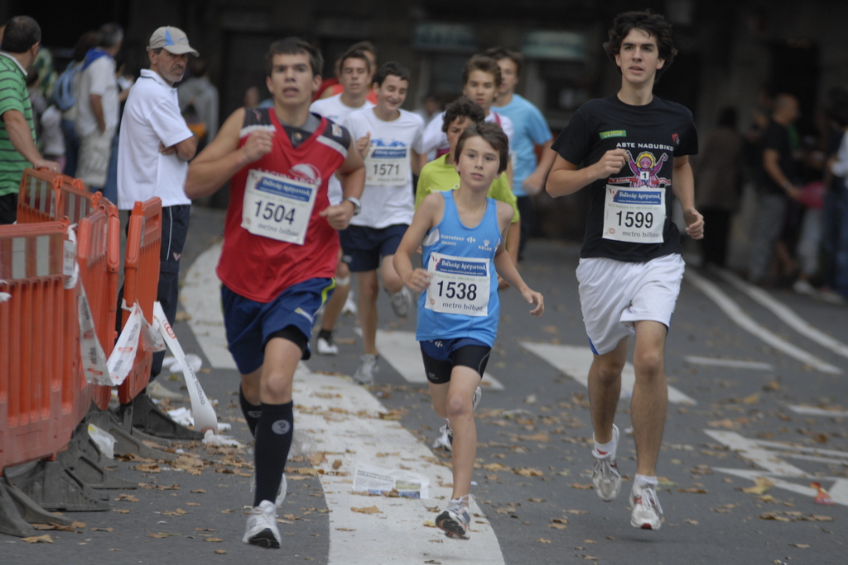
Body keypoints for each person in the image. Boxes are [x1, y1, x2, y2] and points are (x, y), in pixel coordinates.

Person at [185, 37, 364, 549]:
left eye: (299, 69)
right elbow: (194, 182)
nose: (290, 76)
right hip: (243, 277)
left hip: (306, 273)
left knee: (278, 381)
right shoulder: (247, 123)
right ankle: (270, 457)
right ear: (269, 81)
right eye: (281, 69)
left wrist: (349, 206)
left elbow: (355, 169)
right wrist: (244, 156)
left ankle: (263, 509)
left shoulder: (335, 136)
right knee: (253, 386)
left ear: (316, 82)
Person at [546, 11, 703, 531]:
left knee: (650, 359)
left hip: (659, 255)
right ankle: (603, 446)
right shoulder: (593, 115)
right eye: (629, 47)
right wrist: (595, 169)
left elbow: (681, 164)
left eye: (647, 48)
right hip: (602, 261)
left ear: (662, 60)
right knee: (609, 368)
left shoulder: (678, 117)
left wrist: (689, 209)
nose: (638, 55)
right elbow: (554, 184)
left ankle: (647, 487)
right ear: (617, 57)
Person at [395, 122, 543, 539]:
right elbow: (402, 252)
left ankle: (459, 504)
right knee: (443, 407)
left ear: (501, 168)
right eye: (472, 155)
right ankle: (459, 401)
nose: (479, 164)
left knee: (459, 406)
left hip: (477, 324)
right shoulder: (435, 205)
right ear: (457, 162)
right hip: (434, 325)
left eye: (489, 158)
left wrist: (523, 287)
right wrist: (409, 275)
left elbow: (499, 254)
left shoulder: (503, 212)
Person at [117, 26, 199, 401]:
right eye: (172, 54)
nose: (180, 62)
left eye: (184, 56)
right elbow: (189, 148)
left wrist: (181, 141)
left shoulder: (155, 90)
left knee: (142, 290)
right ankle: (141, 380)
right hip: (161, 205)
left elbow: (183, 145)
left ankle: (129, 374)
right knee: (158, 293)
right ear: (153, 56)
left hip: (154, 203)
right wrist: (183, 141)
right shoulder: (154, 92)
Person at [341, 61, 425, 385]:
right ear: (375, 89)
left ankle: (398, 289)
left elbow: (419, 159)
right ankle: (369, 356)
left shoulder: (413, 123)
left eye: (402, 91)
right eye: (390, 89)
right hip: (361, 215)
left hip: (397, 213)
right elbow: (340, 164)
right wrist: (357, 154)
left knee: (391, 277)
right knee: (367, 290)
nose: (396, 96)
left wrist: (427, 189)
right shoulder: (355, 120)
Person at [309, 48, 375, 355]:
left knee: (343, 271)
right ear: (340, 75)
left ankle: (325, 332)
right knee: (313, 266)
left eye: (360, 72)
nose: (354, 77)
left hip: (353, 203)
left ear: (369, 76)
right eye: (349, 71)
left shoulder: (378, 112)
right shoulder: (321, 108)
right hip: (315, 199)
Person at [416, 96, 520, 285]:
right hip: (441, 265)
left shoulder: (492, 174)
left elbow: (512, 218)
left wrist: (511, 262)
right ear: (446, 133)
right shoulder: (429, 172)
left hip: (480, 263)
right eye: (455, 130)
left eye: (466, 131)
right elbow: (419, 218)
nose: (460, 137)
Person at [487, 47, 555, 261]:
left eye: (508, 72)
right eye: (498, 71)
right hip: (484, 190)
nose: (503, 77)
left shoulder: (527, 111)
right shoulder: (478, 108)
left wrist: (539, 175)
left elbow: (549, 144)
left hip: (517, 190)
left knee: (510, 257)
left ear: (516, 78)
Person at [0, 15, 60, 225]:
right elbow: (13, 119)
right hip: (5, 188)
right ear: (35, 48)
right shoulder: (6, 74)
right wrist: (37, 160)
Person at [419, 56, 514, 178]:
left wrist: (508, 190)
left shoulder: (504, 124)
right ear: (464, 88)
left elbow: (506, 163)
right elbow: (418, 149)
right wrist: (428, 178)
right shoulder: (447, 118)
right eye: (474, 85)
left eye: (487, 86)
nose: (480, 91)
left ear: (496, 90)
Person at [747, 93, 802, 285]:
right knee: (766, 232)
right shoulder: (776, 131)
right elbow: (770, 162)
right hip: (772, 190)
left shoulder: (776, 129)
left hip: (771, 190)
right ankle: (757, 273)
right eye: (794, 109)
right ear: (783, 109)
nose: (797, 114)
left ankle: (762, 271)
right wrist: (787, 186)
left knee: (770, 232)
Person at [75, 23, 122, 193]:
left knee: (87, 175)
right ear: (117, 43)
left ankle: (84, 210)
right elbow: (95, 96)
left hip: (89, 126)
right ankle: (82, 211)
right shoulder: (102, 63)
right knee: (89, 178)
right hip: (95, 128)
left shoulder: (92, 58)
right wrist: (102, 124)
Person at [694, 106, 743, 267]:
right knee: (723, 224)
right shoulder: (737, 138)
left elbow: (702, 158)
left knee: (707, 221)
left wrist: (695, 178)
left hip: (710, 181)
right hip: (728, 183)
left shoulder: (712, 135)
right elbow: (740, 164)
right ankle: (719, 257)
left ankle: (706, 256)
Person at [54, 30, 97, 177]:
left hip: (65, 117)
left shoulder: (72, 65)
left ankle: (62, 191)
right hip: (78, 119)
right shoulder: (89, 67)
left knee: (70, 165)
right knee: (82, 170)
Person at [178, 57, 220, 147]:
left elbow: (176, 113)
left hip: (182, 135)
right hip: (201, 137)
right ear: (206, 73)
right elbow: (211, 119)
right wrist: (210, 144)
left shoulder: (182, 89)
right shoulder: (211, 92)